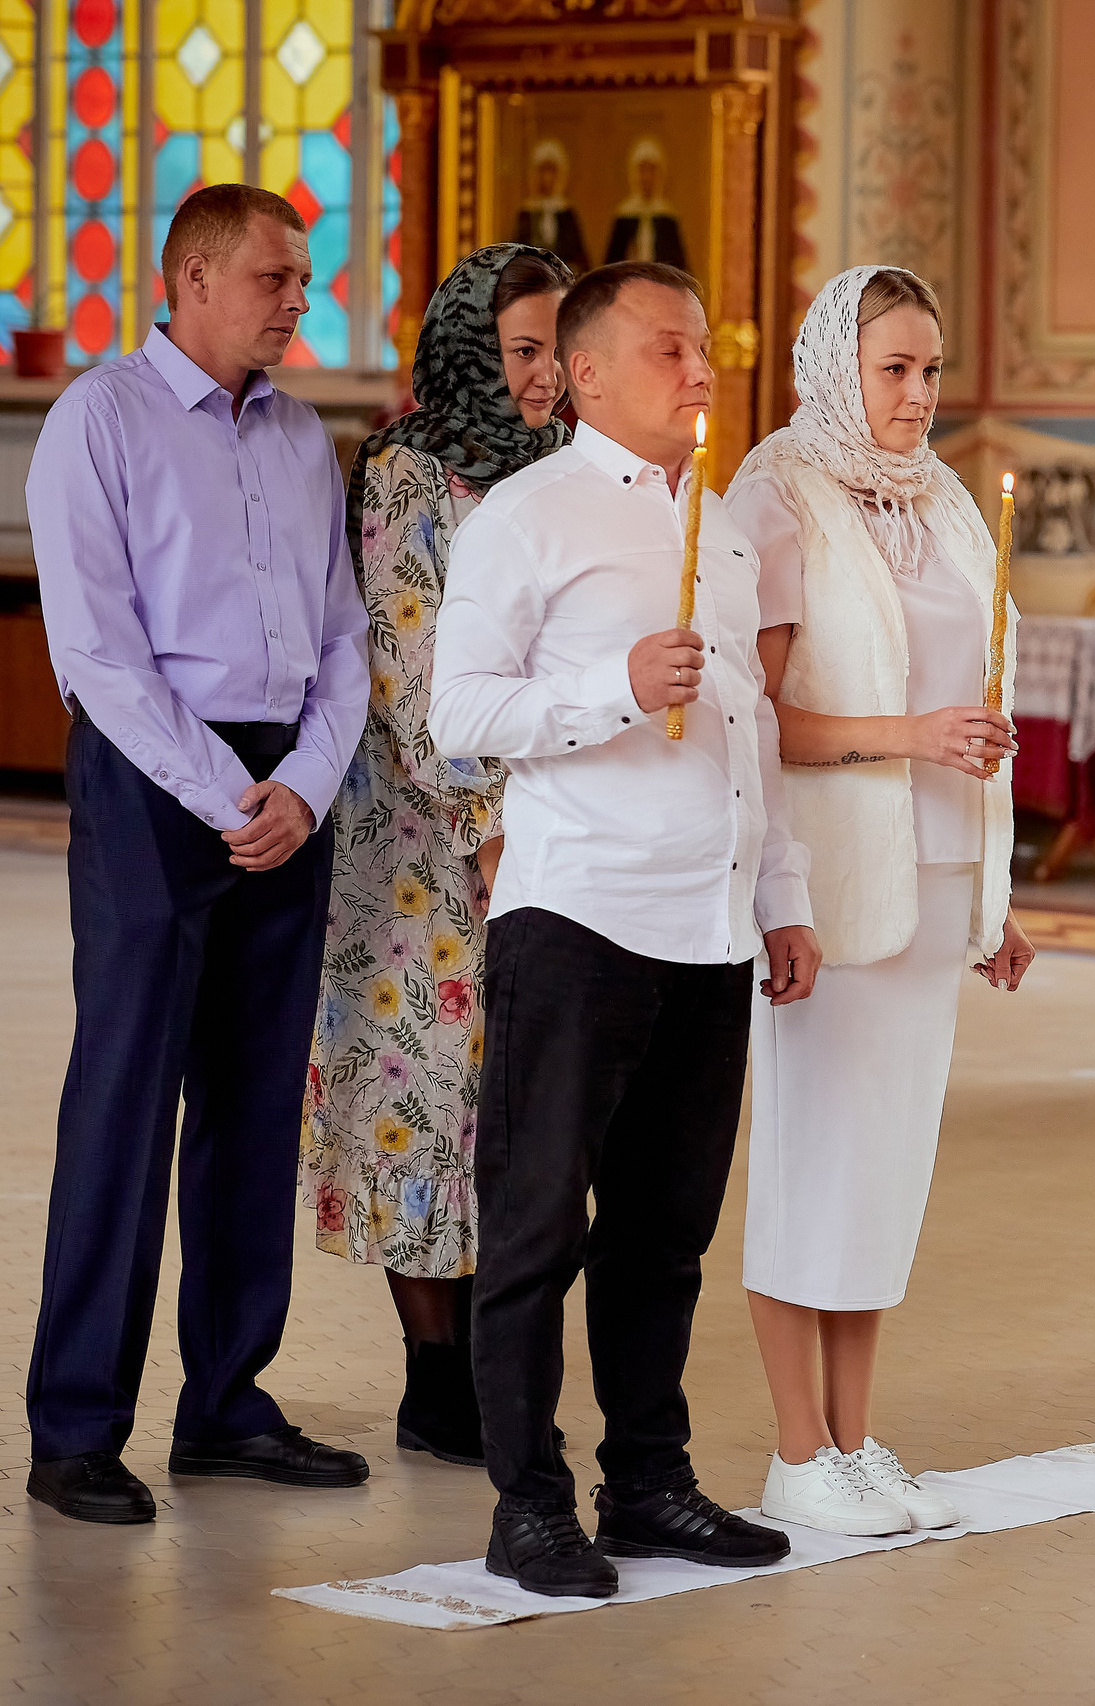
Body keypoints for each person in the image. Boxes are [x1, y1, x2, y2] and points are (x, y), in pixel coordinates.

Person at [429, 259, 821, 1597]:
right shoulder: (526, 520)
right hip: (581, 913)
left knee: (665, 1232)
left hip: (707, 929)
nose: (702, 368)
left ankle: (648, 1481)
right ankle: (526, 1502)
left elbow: (749, 731)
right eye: (671, 349)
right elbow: (459, 715)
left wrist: (783, 897)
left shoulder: (723, 526)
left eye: (706, 347)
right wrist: (611, 683)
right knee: (536, 1224)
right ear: (587, 373)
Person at [23, 183, 371, 1524]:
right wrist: (231, 790)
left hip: (285, 780)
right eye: (279, 277)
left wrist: (304, 781)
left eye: (303, 278)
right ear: (193, 278)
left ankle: (227, 1400)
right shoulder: (98, 420)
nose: (299, 299)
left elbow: (342, 641)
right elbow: (97, 654)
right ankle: (76, 1426)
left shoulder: (301, 439)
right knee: (127, 1093)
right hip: (157, 779)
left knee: (251, 1100)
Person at [725, 264, 1039, 1539]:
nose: (918, 393)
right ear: (836, 367)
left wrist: (993, 895)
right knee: (814, 1162)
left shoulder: (949, 498)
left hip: (940, 875)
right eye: (894, 368)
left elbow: (984, 697)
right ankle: (794, 1449)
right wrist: (908, 734)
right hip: (831, 880)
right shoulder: (776, 486)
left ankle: (855, 1442)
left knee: (885, 1174)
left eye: (930, 367)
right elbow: (760, 720)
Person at [302, 242, 576, 1470]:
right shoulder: (412, 472)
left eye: (558, 349)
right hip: (426, 835)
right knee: (424, 1088)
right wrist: (488, 829)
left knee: (514, 1099)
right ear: (473, 344)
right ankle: (434, 1376)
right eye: (524, 348)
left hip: (549, 820)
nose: (545, 374)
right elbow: (409, 670)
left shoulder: (574, 466)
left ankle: (498, 1356)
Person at [604, 138, 687, 271]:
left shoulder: (667, 217)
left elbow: (679, 267)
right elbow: (610, 266)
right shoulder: (624, 216)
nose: (647, 177)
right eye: (642, 170)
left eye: (652, 170)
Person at [513, 142, 590, 273]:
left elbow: (579, 256)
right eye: (542, 171)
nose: (547, 178)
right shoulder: (527, 212)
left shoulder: (566, 212)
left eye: (552, 171)